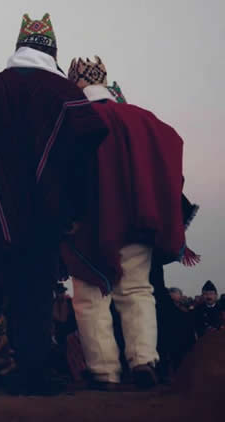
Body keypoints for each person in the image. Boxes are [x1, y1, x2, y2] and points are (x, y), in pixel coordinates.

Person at [0, 13, 108, 395]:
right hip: (47, 211)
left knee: (10, 285)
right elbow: (84, 153)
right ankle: (34, 368)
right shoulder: (64, 94)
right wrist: (75, 210)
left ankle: (18, 364)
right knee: (37, 286)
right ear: (51, 51)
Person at [61, 56, 193, 390]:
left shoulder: (75, 120)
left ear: (76, 83)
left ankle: (104, 371)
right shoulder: (142, 119)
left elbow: (66, 173)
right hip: (137, 219)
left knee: (92, 295)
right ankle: (143, 361)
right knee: (137, 290)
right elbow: (173, 143)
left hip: (91, 223)